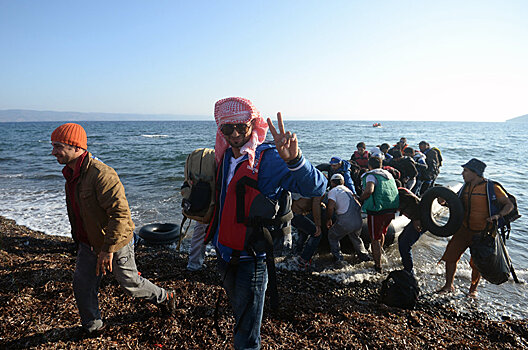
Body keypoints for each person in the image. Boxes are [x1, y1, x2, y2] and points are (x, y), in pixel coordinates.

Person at [204, 97, 326, 349]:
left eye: (241, 127)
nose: (235, 133)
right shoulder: (226, 155)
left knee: (247, 333)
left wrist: (295, 161)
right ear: (220, 130)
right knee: (240, 313)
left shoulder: (269, 159)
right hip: (224, 253)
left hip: (253, 258)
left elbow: (317, 187)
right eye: (228, 128)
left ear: (253, 124)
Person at [50, 123, 175, 335]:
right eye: (53, 146)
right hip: (88, 242)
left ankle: (165, 296)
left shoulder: (101, 174)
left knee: (130, 283)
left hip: (115, 241)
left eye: (58, 146)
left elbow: (121, 215)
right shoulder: (70, 173)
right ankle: (93, 327)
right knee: (82, 285)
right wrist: (78, 241)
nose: (53, 152)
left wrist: (108, 250)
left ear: (76, 147)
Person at [438, 158, 513, 297]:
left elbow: (509, 205)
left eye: (466, 171)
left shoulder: (492, 188)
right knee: (450, 257)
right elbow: (457, 206)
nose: (462, 173)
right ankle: (448, 286)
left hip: (483, 233)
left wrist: (498, 215)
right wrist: (443, 202)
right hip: (463, 230)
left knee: (477, 262)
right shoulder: (464, 188)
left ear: (476, 173)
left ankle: (473, 290)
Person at [359, 157, 399, 273]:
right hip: (390, 209)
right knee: (381, 233)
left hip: (378, 211)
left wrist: (360, 199)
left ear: (369, 166)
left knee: (374, 238)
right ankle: (379, 255)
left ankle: (378, 265)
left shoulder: (371, 175)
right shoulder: (388, 175)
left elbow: (369, 191)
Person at [326, 174, 370, 266]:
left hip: (346, 221)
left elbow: (330, 207)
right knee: (356, 237)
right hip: (358, 221)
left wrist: (329, 219)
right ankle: (365, 257)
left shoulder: (333, 191)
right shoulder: (349, 190)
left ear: (332, 182)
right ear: (343, 182)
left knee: (332, 236)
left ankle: (338, 259)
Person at [397, 187, 426, 274]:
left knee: (404, 244)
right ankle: (406, 262)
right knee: (401, 238)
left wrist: (416, 219)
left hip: (421, 219)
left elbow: (414, 201)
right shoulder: (400, 192)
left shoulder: (401, 193)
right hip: (418, 217)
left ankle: (409, 270)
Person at [291, 194, 324, 270]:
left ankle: (297, 251)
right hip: (297, 215)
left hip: (292, 213)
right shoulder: (320, 186)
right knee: (317, 234)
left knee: (304, 231)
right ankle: (303, 260)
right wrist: (318, 225)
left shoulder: (311, 184)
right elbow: (315, 205)